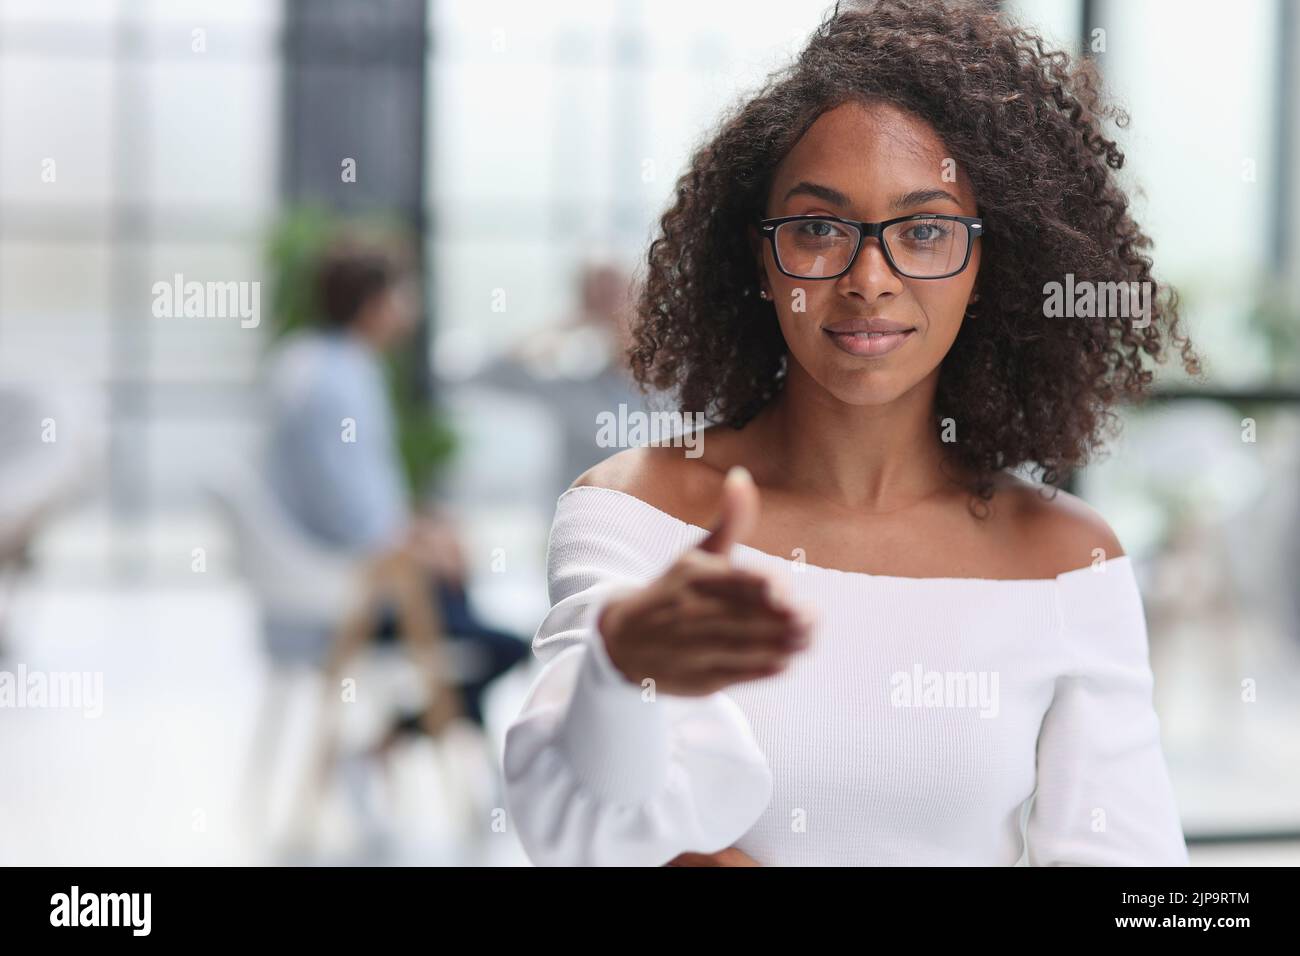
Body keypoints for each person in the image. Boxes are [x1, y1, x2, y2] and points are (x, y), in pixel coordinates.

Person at [501, 0, 1204, 866]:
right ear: (760, 258)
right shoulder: (636, 514)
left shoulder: (1065, 559)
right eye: (821, 228)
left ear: (990, 266)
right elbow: (570, 831)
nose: (870, 278)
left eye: (925, 230)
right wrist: (619, 670)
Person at [264, 234, 529, 731]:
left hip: (332, 576)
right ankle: (400, 739)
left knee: (465, 609)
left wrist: (422, 528)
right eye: (402, 294)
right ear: (373, 303)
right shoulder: (338, 380)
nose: (411, 308)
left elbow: (349, 493)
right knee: (507, 647)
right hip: (351, 596)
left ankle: (397, 741)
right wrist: (419, 543)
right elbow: (351, 514)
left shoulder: (317, 362)